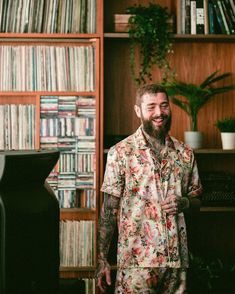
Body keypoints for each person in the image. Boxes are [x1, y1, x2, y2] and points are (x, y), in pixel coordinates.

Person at [96, 84, 202, 293]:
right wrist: (102, 260)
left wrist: (185, 202)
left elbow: (198, 199)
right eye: (151, 107)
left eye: (164, 106)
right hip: (136, 264)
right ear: (138, 111)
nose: (159, 113)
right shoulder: (120, 153)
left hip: (177, 264)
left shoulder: (185, 153)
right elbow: (109, 210)